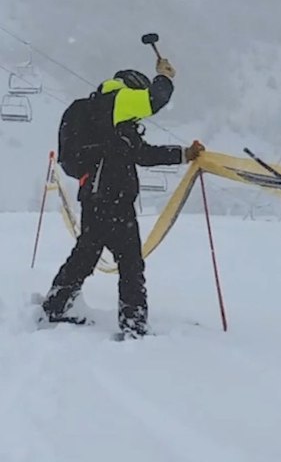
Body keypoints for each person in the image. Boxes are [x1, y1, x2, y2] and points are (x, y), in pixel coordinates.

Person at [42, 55, 204, 338]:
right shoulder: (116, 100)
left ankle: (57, 305)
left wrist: (182, 154)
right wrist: (164, 77)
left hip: (96, 195)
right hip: (111, 197)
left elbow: (141, 153)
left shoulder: (110, 122)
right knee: (129, 262)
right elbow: (155, 100)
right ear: (130, 88)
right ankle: (133, 324)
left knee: (87, 253)